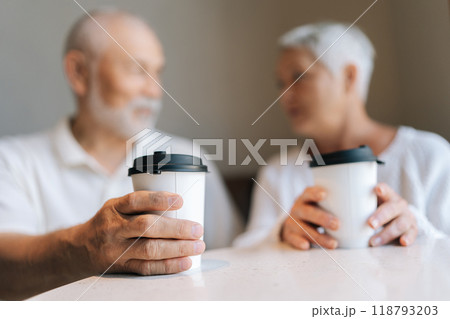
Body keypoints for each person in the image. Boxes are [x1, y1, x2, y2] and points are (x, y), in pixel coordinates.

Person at [0, 9, 242, 300]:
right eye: (136, 69)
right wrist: (83, 248)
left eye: (158, 72)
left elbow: (233, 262)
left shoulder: (188, 157)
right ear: (78, 72)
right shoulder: (11, 162)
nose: (155, 91)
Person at [234, 22, 450, 249]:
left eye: (299, 77)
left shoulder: (431, 157)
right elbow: (245, 249)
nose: (285, 96)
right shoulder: (278, 173)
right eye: (280, 83)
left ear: (349, 76)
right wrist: (280, 233)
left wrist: (418, 228)